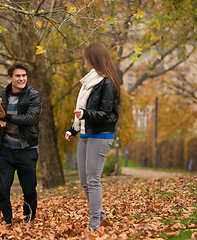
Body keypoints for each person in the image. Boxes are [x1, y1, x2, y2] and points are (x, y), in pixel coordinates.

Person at [65, 42, 121, 230]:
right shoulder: (88, 82)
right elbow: (82, 111)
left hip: (102, 134)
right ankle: (101, 216)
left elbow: (106, 113)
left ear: (94, 59)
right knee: (84, 181)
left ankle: (95, 223)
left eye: (86, 58)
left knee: (93, 180)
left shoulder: (107, 83)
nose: (85, 61)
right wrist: (73, 129)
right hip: (86, 133)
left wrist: (86, 114)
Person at [0, 61, 42, 225]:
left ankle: (29, 220)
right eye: (18, 76)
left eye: (24, 75)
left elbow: (30, 119)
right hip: (6, 151)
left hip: (27, 149)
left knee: (29, 190)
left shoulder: (34, 96)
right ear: (10, 78)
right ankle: (7, 221)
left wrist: (5, 117)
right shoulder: (1, 96)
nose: (21, 79)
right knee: (2, 190)